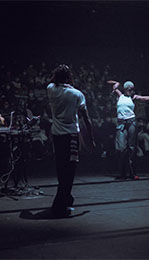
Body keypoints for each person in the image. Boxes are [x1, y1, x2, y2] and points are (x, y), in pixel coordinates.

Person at [47, 64, 95, 217]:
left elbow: (53, 82)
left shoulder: (50, 89)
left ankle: (66, 198)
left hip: (56, 134)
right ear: (69, 78)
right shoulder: (77, 94)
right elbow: (86, 119)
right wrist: (92, 139)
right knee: (70, 170)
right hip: (71, 135)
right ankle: (60, 204)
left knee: (61, 168)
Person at [107, 78, 149, 180]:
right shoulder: (120, 95)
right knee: (122, 148)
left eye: (132, 89)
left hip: (131, 122)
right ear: (125, 89)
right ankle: (122, 173)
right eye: (129, 89)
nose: (131, 90)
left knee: (131, 148)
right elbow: (113, 85)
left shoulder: (134, 97)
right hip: (121, 123)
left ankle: (132, 173)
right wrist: (117, 83)